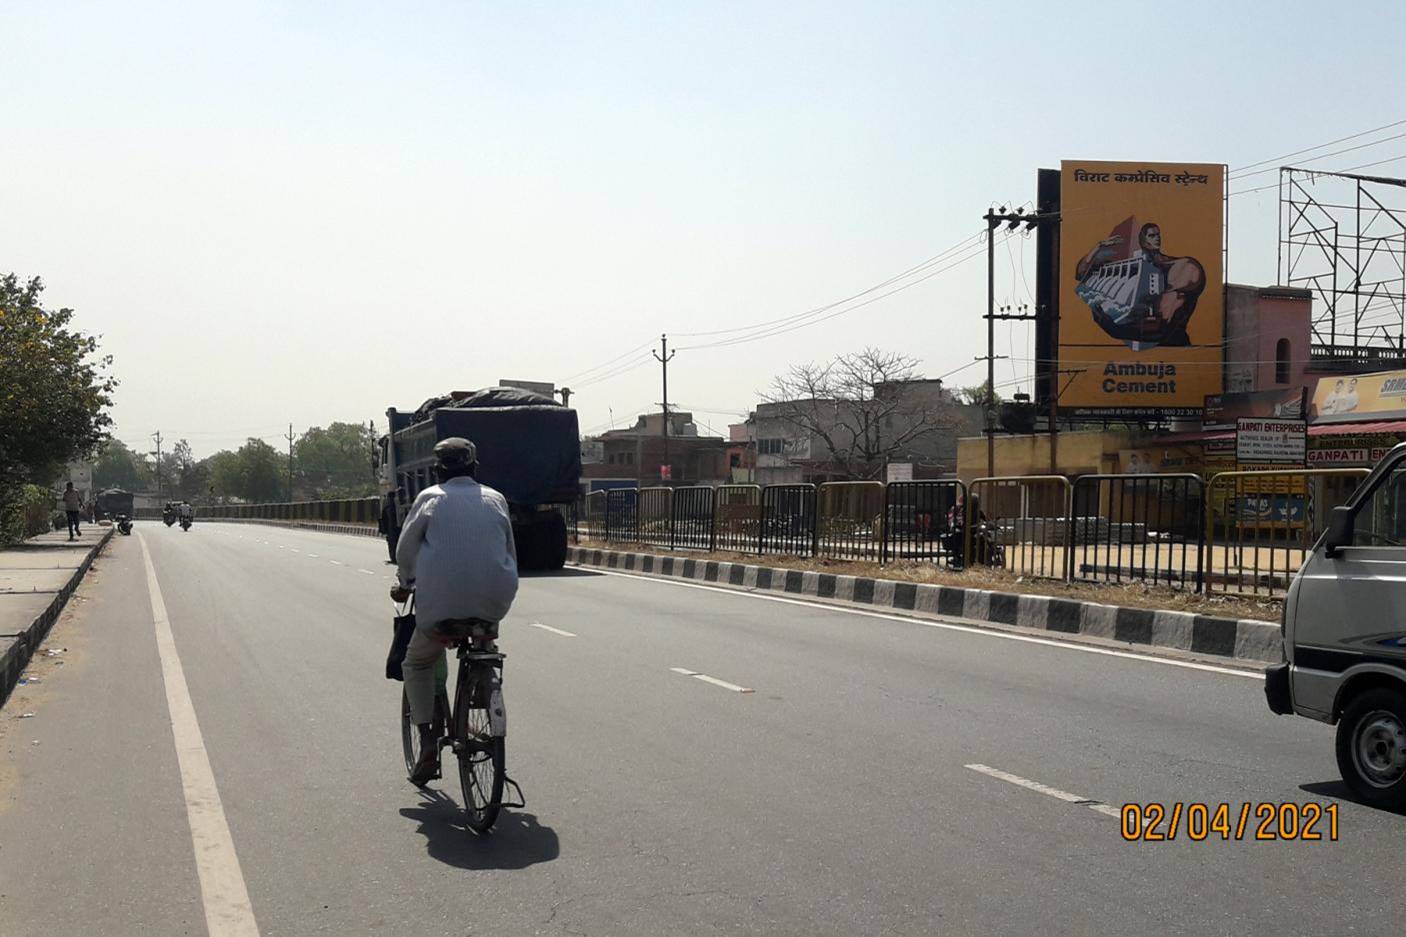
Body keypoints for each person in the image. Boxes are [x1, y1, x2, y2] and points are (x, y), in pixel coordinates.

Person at [389, 437, 519, 785]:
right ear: (475, 468)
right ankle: (483, 680)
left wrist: (406, 580)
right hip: (494, 603)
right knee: (482, 637)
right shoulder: (496, 499)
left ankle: (428, 740)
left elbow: (405, 551)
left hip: (440, 609)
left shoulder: (429, 499)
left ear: (437, 470)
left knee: (416, 662)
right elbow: (508, 550)